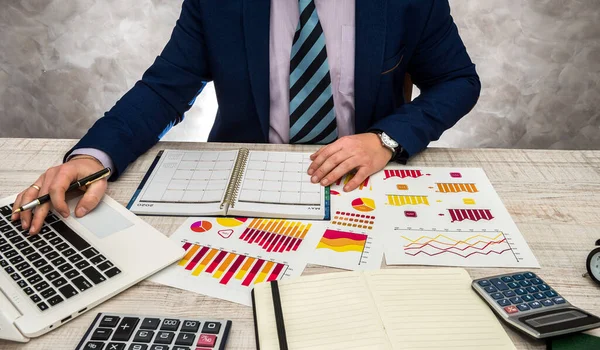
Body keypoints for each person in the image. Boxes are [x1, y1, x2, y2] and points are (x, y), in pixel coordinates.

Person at [12, 0, 480, 234]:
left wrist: (386, 139)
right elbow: (162, 91)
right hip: (239, 194)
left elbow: (458, 80)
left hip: (362, 189)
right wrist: (93, 156)